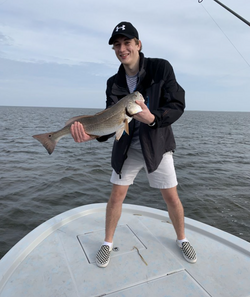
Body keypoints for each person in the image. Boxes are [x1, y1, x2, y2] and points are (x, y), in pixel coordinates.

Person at [70, 21, 197, 268]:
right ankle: (107, 243)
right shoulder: (113, 82)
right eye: (117, 45)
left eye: (127, 43)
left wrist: (153, 118)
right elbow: (110, 120)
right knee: (116, 195)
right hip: (126, 147)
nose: (122, 48)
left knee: (171, 196)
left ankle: (182, 238)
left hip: (157, 145)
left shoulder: (161, 68)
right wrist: (92, 135)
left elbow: (177, 104)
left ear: (138, 44)